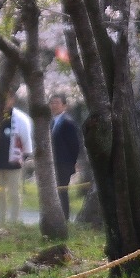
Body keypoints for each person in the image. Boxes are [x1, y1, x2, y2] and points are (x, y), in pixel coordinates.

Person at [0, 93, 34, 224]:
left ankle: (14, 220)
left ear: (12, 100)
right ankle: (1, 219)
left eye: (7, 99)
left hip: (14, 161)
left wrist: (25, 155)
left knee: (14, 193)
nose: (4, 102)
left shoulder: (20, 118)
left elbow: (26, 140)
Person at [49, 92, 81, 220]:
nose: (54, 106)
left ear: (64, 106)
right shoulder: (51, 122)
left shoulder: (68, 123)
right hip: (53, 163)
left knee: (62, 191)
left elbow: (75, 145)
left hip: (64, 163)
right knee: (54, 192)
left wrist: (72, 162)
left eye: (57, 103)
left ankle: (64, 217)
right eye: (52, 103)